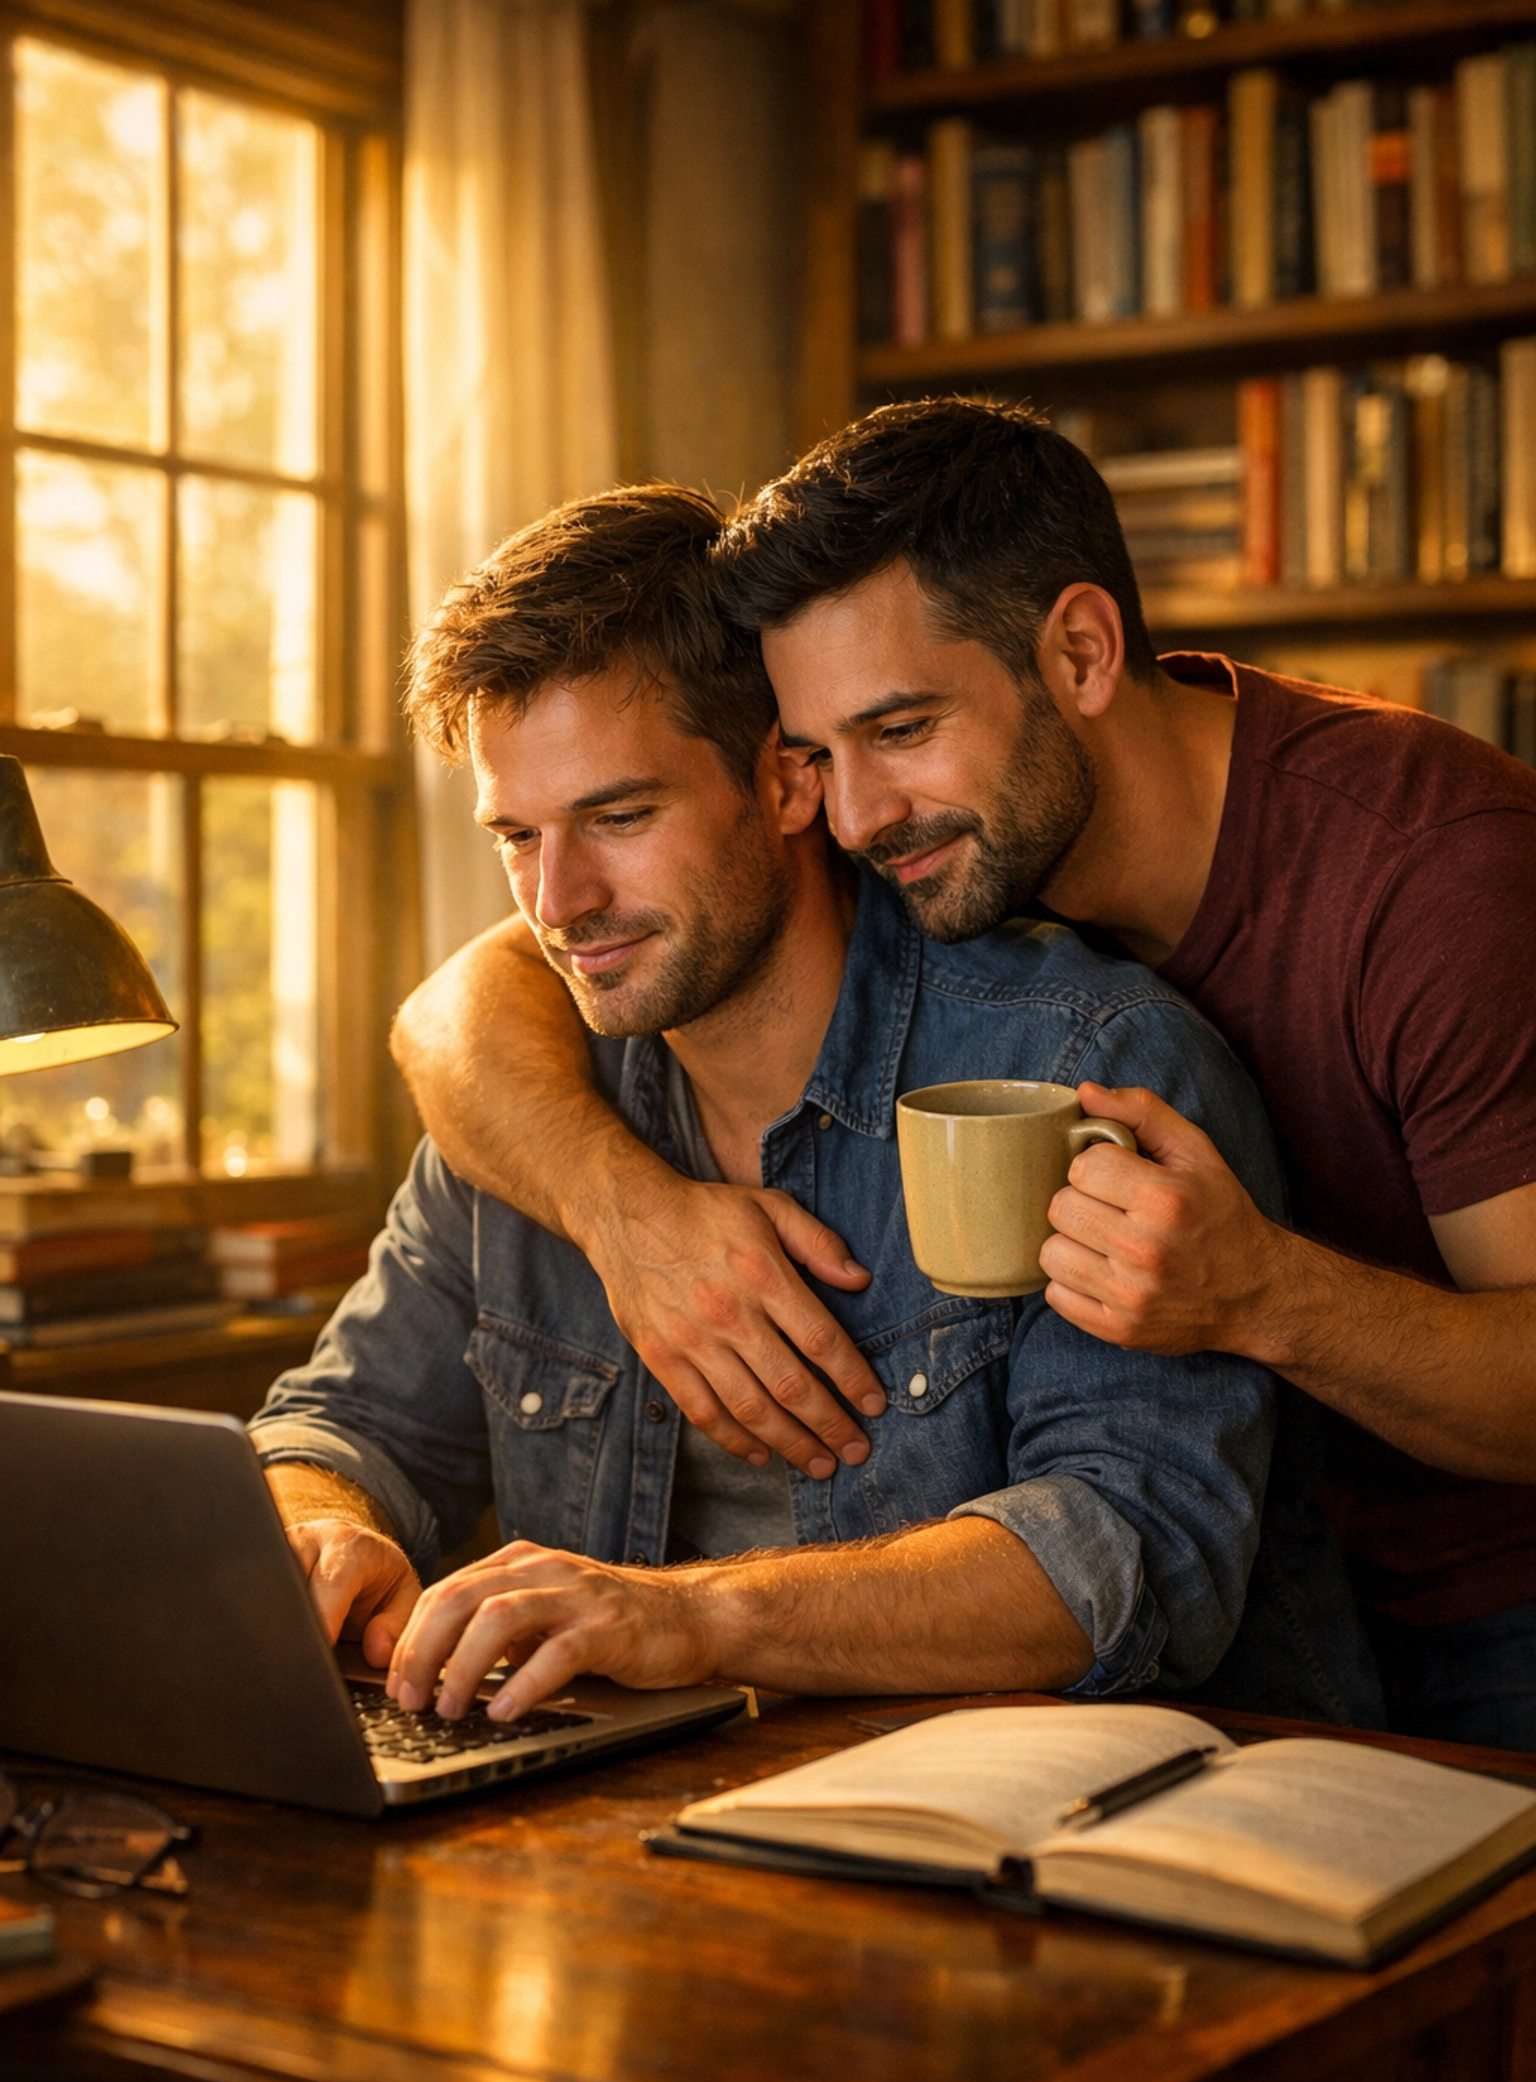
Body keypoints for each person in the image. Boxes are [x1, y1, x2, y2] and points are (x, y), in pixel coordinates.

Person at [392, 399, 1536, 1750]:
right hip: (1274, 1563)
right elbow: (481, 995)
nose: (860, 816)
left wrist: (1263, 1293)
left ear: (1082, 652)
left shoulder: (1431, 875)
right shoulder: (945, 861)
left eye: (903, 729)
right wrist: (620, 1210)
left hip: (1488, 1600)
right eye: (821, 753)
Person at [252, 482, 1302, 1727]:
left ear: (792, 782)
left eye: (619, 816)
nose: (560, 899)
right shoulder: (535, 1106)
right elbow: (338, 1422)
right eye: (517, 836)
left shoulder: (1080, 1066)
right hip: (625, 1832)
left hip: (1029, 1840)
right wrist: (322, 1528)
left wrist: (685, 1618)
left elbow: (1126, 1553)